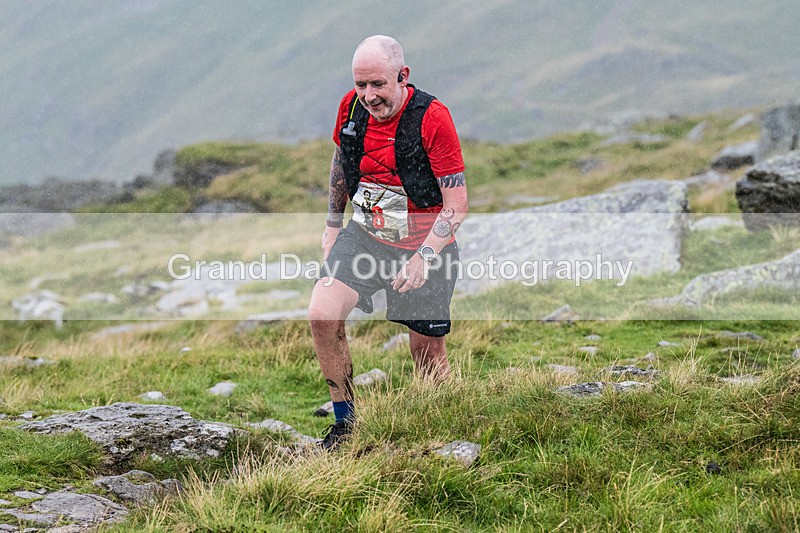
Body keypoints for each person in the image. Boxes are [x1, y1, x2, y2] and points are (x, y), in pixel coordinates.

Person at [308, 35, 468, 450]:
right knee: (322, 314)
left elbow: (457, 203)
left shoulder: (432, 118)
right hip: (367, 236)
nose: (368, 96)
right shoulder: (351, 107)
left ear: (403, 75)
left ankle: (449, 432)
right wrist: (331, 226)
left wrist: (424, 258)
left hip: (423, 243)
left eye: (378, 85)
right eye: (361, 85)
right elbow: (341, 161)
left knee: (427, 355)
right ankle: (346, 425)